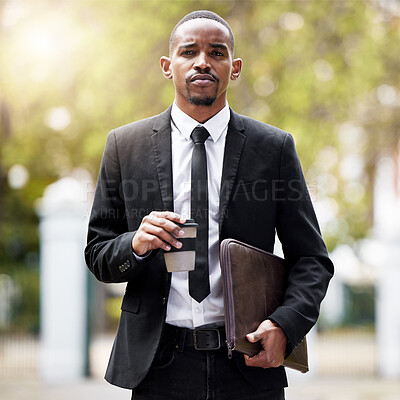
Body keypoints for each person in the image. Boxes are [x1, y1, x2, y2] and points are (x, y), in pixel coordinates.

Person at [85, 10, 333, 400]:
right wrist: (135, 243)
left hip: (248, 365)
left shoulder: (274, 148)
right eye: (189, 51)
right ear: (168, 66)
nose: (203, 61)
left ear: (234, 69)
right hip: (158, 367)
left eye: (217, 52)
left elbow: (312, 260)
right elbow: (98, 254)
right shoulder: (124, 146)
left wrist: (285, 325)